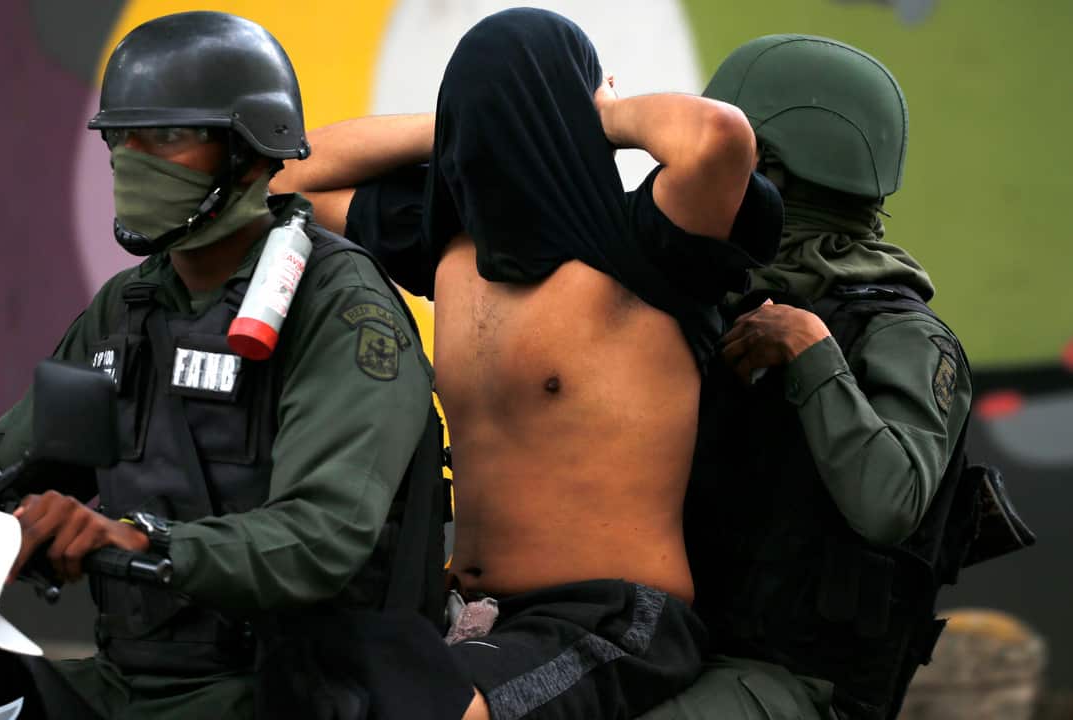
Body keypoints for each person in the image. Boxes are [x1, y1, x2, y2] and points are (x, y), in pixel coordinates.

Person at [0, 12, 455, 719]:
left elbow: (319, 537)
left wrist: (141, 537)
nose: (130, 158)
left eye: (166, 136)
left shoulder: (337, 308)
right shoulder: (131, 306)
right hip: (127, 684)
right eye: (120, 136)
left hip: (294, 689)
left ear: (251, 150)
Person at [274, 9, 782, 719]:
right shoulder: (447, 250)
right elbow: (281, 175)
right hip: (469, 612)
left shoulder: (648, 247)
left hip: (612, 616)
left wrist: (597, 111)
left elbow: (718, 138)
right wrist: (463, 118)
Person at [641, 35, 977, 720]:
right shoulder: (716, 294)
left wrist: (810, 352)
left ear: (765, 167)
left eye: (720, 148)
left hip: (796, 680)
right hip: (677, 637)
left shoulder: (901, 334)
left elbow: (890, 503)